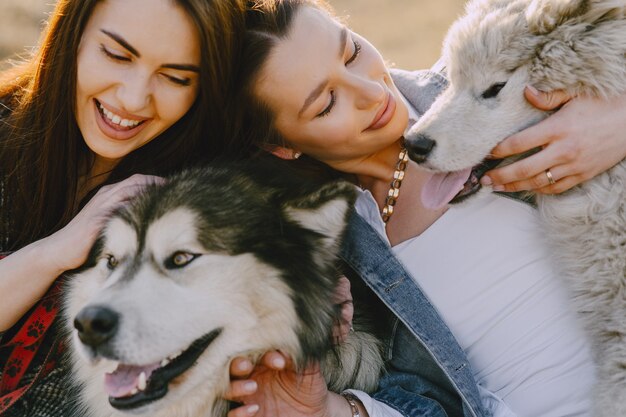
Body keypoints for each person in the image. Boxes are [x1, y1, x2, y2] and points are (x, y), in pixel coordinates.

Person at [223, 0, 626, 416]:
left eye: (352, 54)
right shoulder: (336, 264)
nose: (372, 92)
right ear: (282, 146)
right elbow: (426, 399)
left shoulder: (497, 68)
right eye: (327, 103)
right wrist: (333, 411)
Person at [0, 0, 246, 414]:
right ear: (71, 35)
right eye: (116, 55)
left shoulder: (202, 192)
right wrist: (57, 251)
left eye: (175, 77)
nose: (133, 99)